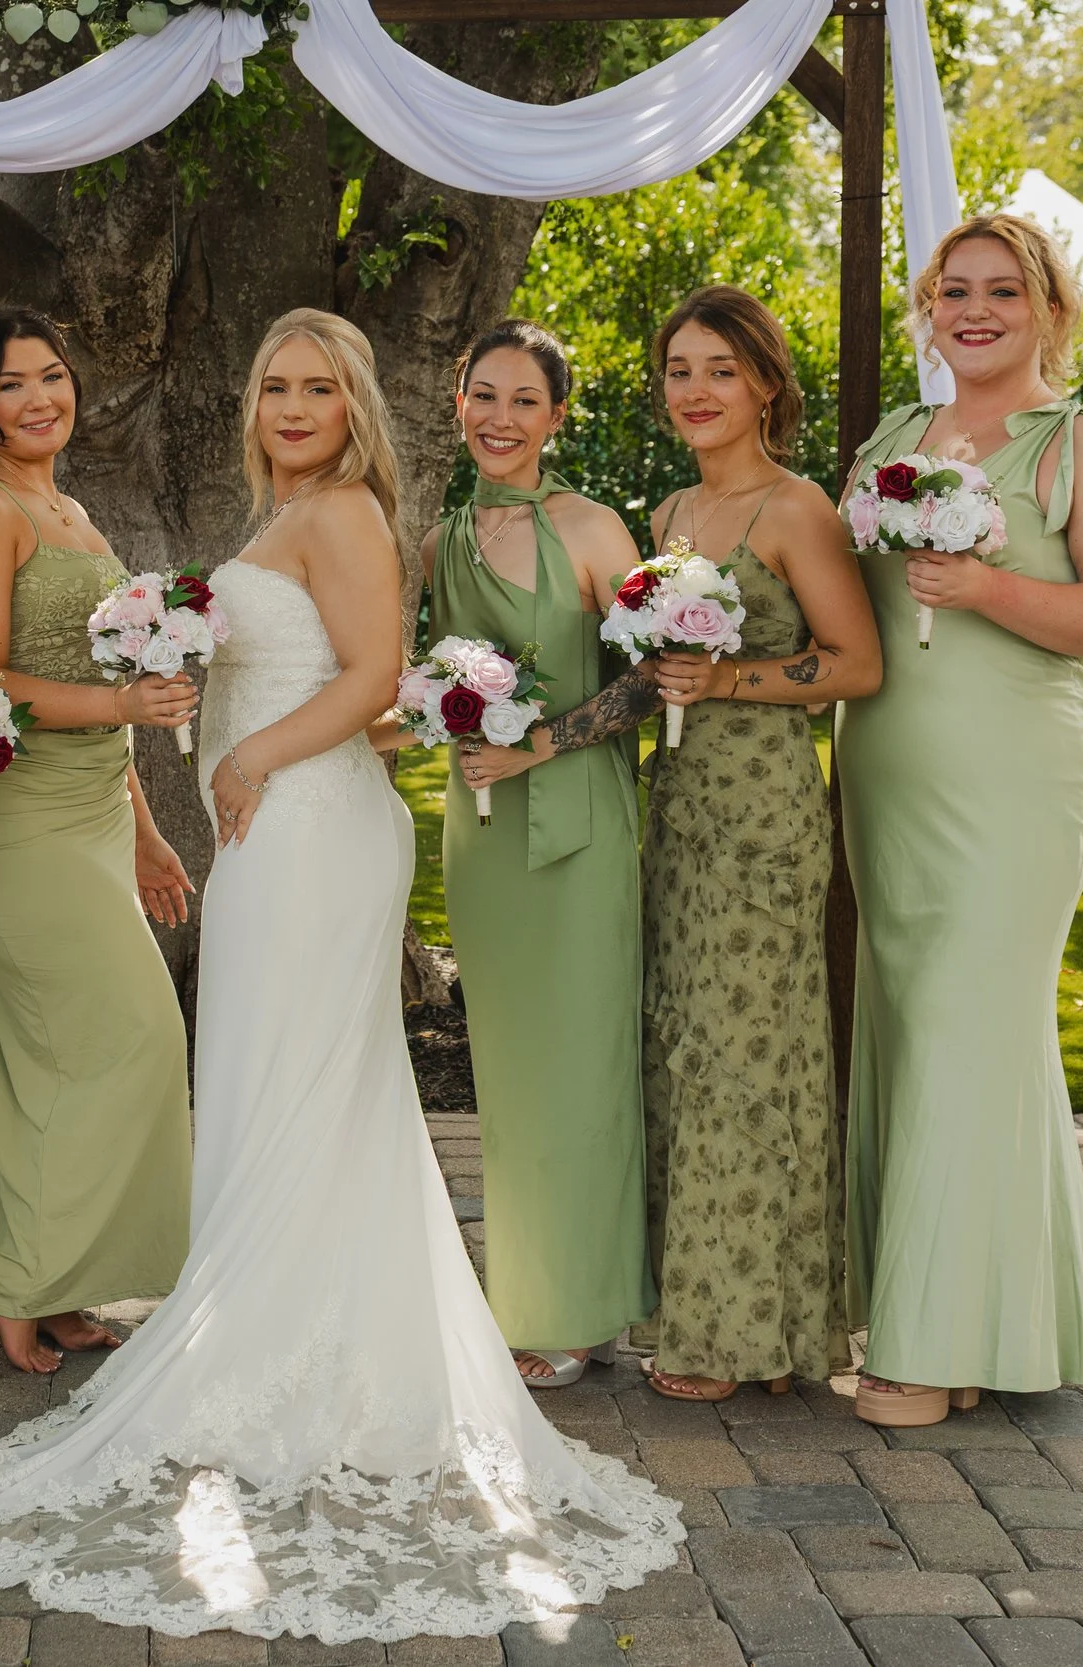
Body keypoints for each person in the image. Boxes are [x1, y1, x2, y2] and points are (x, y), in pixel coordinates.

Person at [0, 309, 684, 1644]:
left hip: (310, 828)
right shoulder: (284, 517)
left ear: (355, 404)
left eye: (320, 385)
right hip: (269, 833)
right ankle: (265, 1331)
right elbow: (351, 681)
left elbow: (374, 672)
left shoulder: (347, 514)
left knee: (309, 1080)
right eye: (275, 383)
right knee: (265, 1079)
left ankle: (306, 1352)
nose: (294, 403)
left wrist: (253, 757)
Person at [840, 215, 1083, 1427]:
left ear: (1047, 309)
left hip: (1021, 776)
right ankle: (975, 1318)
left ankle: (929, 1345)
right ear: (929, 306)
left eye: (1001, 292)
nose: (973, 311)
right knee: (921, 1030)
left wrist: (984, 586)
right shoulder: (895, 436)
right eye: (953, 291)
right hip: (889, 777)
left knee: (971, 1028)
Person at [0, 308, 196, 1377]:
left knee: (50, 1059)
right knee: (132, 1035)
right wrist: (124, 708)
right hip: (14, 823)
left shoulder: (69, 508)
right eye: (12, 384)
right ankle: (22, 1282)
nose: (40, 398)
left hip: (89, 813)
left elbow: (99, 688)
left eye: (53, 376)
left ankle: (56, 1285)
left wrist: (144, 828)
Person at [630, 287, 881, 1403]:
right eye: (679, 369)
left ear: (766, 385)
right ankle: (724, 1313)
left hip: (767, 817)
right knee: (685, 1049)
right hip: (679, 807)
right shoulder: (673, 513)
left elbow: (858, 661)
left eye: (719, 370)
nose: (695, 390)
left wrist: (730, 678)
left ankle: (744, 1333)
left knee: (748, 1055)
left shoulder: (795, 510)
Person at [411, 319, 652, 1388]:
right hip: (484, 834)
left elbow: (656, 676)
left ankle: (586, 1304)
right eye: (483, 395)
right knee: (507, 1072)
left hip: (581, 820)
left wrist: (543, 742)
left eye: (523, 400)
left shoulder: (594, 527)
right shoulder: (436, 540)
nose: (499, 418)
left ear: (556, 417)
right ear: (456, 402)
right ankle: (529, 1292)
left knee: (584, 1058)